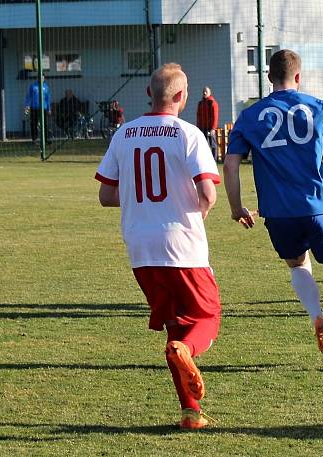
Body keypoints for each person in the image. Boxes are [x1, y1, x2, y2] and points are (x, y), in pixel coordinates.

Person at [224, 49, 323, 371]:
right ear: (299, 77)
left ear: (269, 78)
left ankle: (317, 319)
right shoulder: (318, 107)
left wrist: (236, 206)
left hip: (279, 213)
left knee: (298, 266)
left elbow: (230, 164)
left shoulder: (249, 117)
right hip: (319, 207)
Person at [94, 63, 221, 430]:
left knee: (174, 324)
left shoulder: (124, 134)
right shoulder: (188, 134)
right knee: (206, 317)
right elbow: (208, 194)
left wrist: (141, 200)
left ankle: (190, 412)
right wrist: (193, 210)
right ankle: (188, 352)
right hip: (181, 243)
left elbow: (106, 195)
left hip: (139, 245)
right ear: (181, 96)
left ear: (149, 94)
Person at [23, 75, 51, 142]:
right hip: (34, 108)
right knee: (34, 123)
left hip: (43, 108)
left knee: (44, 124)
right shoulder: (33, 86)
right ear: (37, 78)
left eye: (42, 77)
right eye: (40, 77)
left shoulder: (46, 87)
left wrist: (49, 108)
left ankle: (46, 139)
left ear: (44, 78)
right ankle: (34, 139)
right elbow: (28, 97)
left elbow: (48, 98)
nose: (41, 78)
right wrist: (27, 106)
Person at [196, 86, 220, 160]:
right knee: (203, 145)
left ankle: (214, 160)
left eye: (206, 91)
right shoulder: (200, 103)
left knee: (213, 144)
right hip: (202, 128)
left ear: (210, 93)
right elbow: (198, 116)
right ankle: (204, 160)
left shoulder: (212, 103)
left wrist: (213, 128)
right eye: (203, 91)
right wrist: (198, 127)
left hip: (210, 128)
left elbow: (215, 116)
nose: (204, 93)